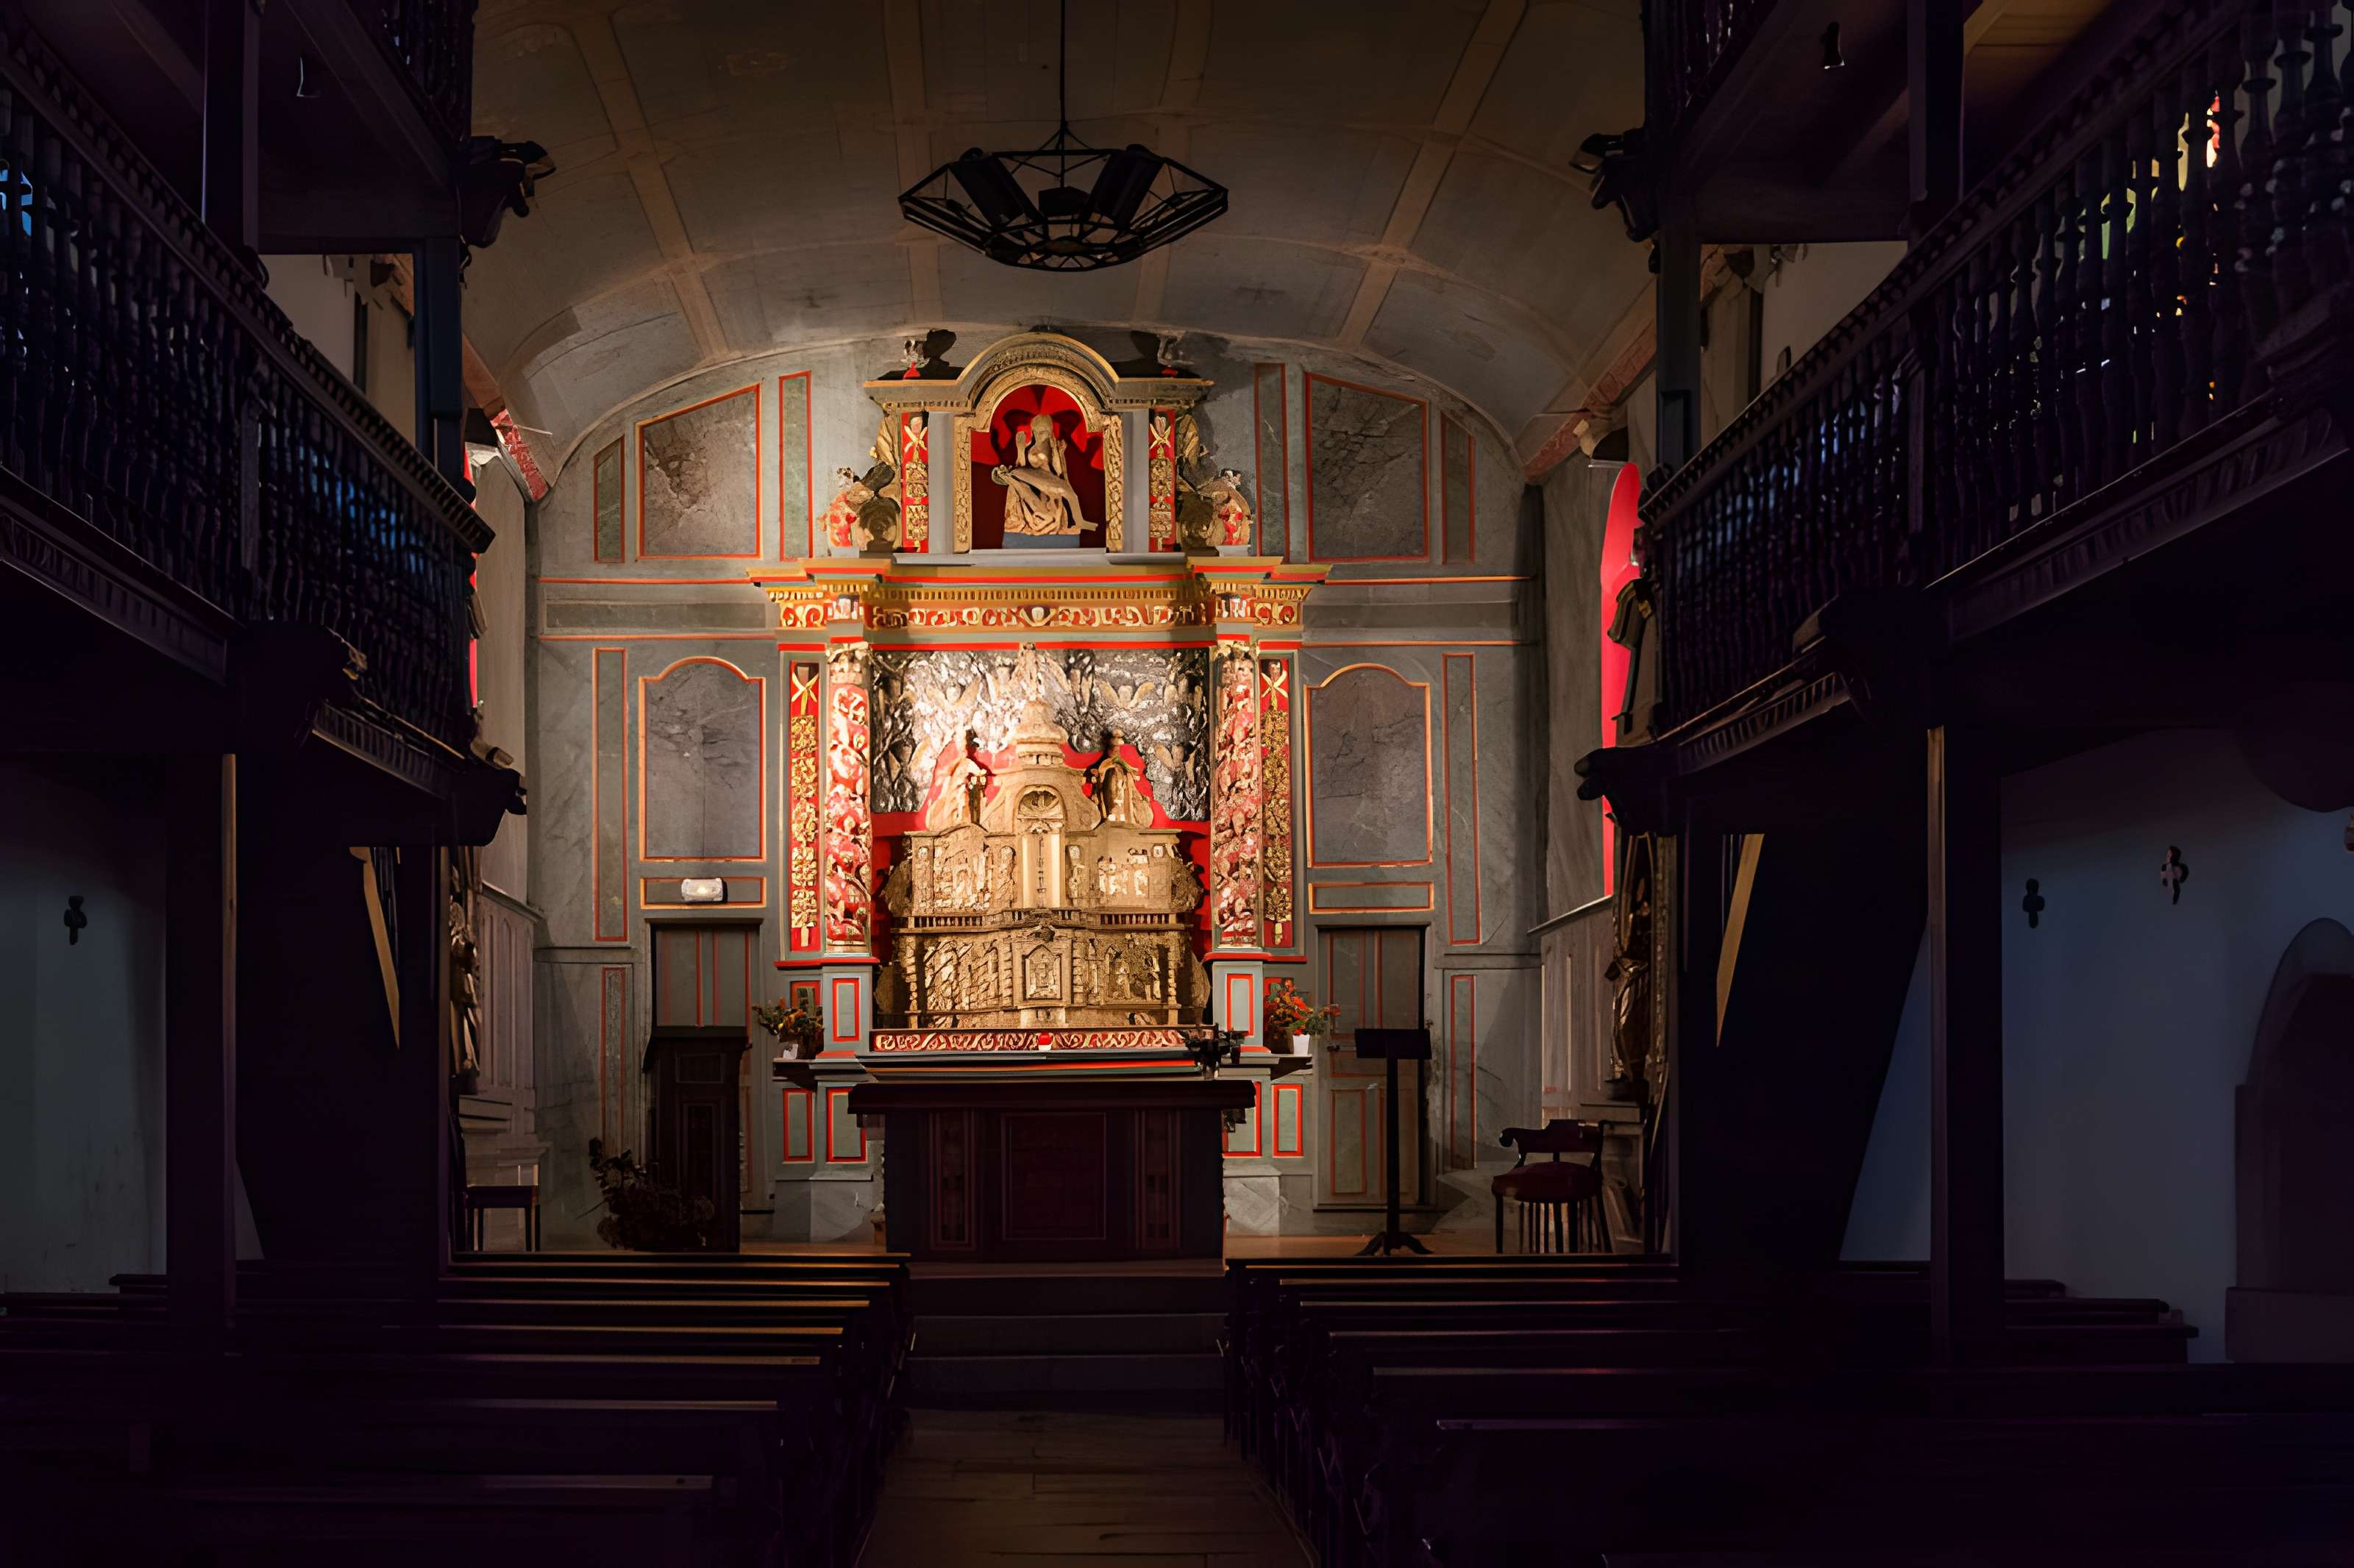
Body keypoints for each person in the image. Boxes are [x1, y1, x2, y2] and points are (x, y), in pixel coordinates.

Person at [992, 412, 1087, 536]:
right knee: (1015, 476)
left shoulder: (1054, 447)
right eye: (1037, 431)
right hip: (1030, 477)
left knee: (1071, 496)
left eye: (1044, 432)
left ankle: (1073, 521)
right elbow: (1020, 465)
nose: (1040, 435)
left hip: (1047, 479)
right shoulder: (1027, 447)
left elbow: (1058, 471)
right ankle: (1026, 516)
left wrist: (1056, 451)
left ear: (1049, 432)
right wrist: (1020, 449)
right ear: (1033, 431)